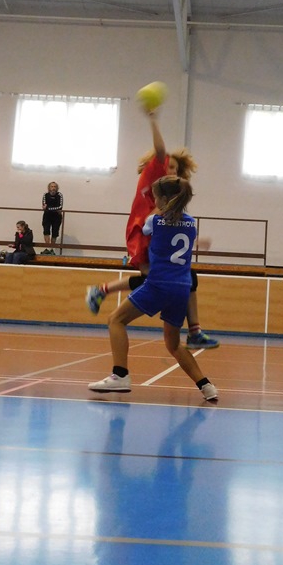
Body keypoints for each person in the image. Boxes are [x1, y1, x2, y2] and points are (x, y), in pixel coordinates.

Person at [86, 107, 219, 349]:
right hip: (140, 231)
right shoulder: (154, 174)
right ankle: (194, 332)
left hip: (153, 232)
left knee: (169, 279)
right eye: (169, 166)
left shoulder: (170, 198)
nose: (171, 171)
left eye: (175, 169)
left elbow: (177, 232)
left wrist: (196, 241)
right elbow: (160, 151)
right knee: (165, 279)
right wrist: (153, 119)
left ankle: (101, 290)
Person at [87, 175, 219, 401]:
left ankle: (120, 375)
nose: (154, 201)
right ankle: (207, 386)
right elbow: (175, 236)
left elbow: (142, 232)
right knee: (173, 344)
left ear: (165, 199)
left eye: (156, 198)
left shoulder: (154, 221)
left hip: (159, 284)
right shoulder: (191, 223)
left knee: (116, 320)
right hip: (182, 288)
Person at [41, 181, 63, 254]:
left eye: (54, 187)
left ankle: (51, 249)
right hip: (47, 215)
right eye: (52, 186)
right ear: (49, 188)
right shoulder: (46, 195)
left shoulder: (59, 195)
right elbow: (44, 205)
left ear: (57, 188)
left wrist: (48, 208)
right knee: (46, 231)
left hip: (57, 216)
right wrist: (48, 208)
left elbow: (60, 206)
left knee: (55, 232)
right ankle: (47, 248)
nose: (53, 188)